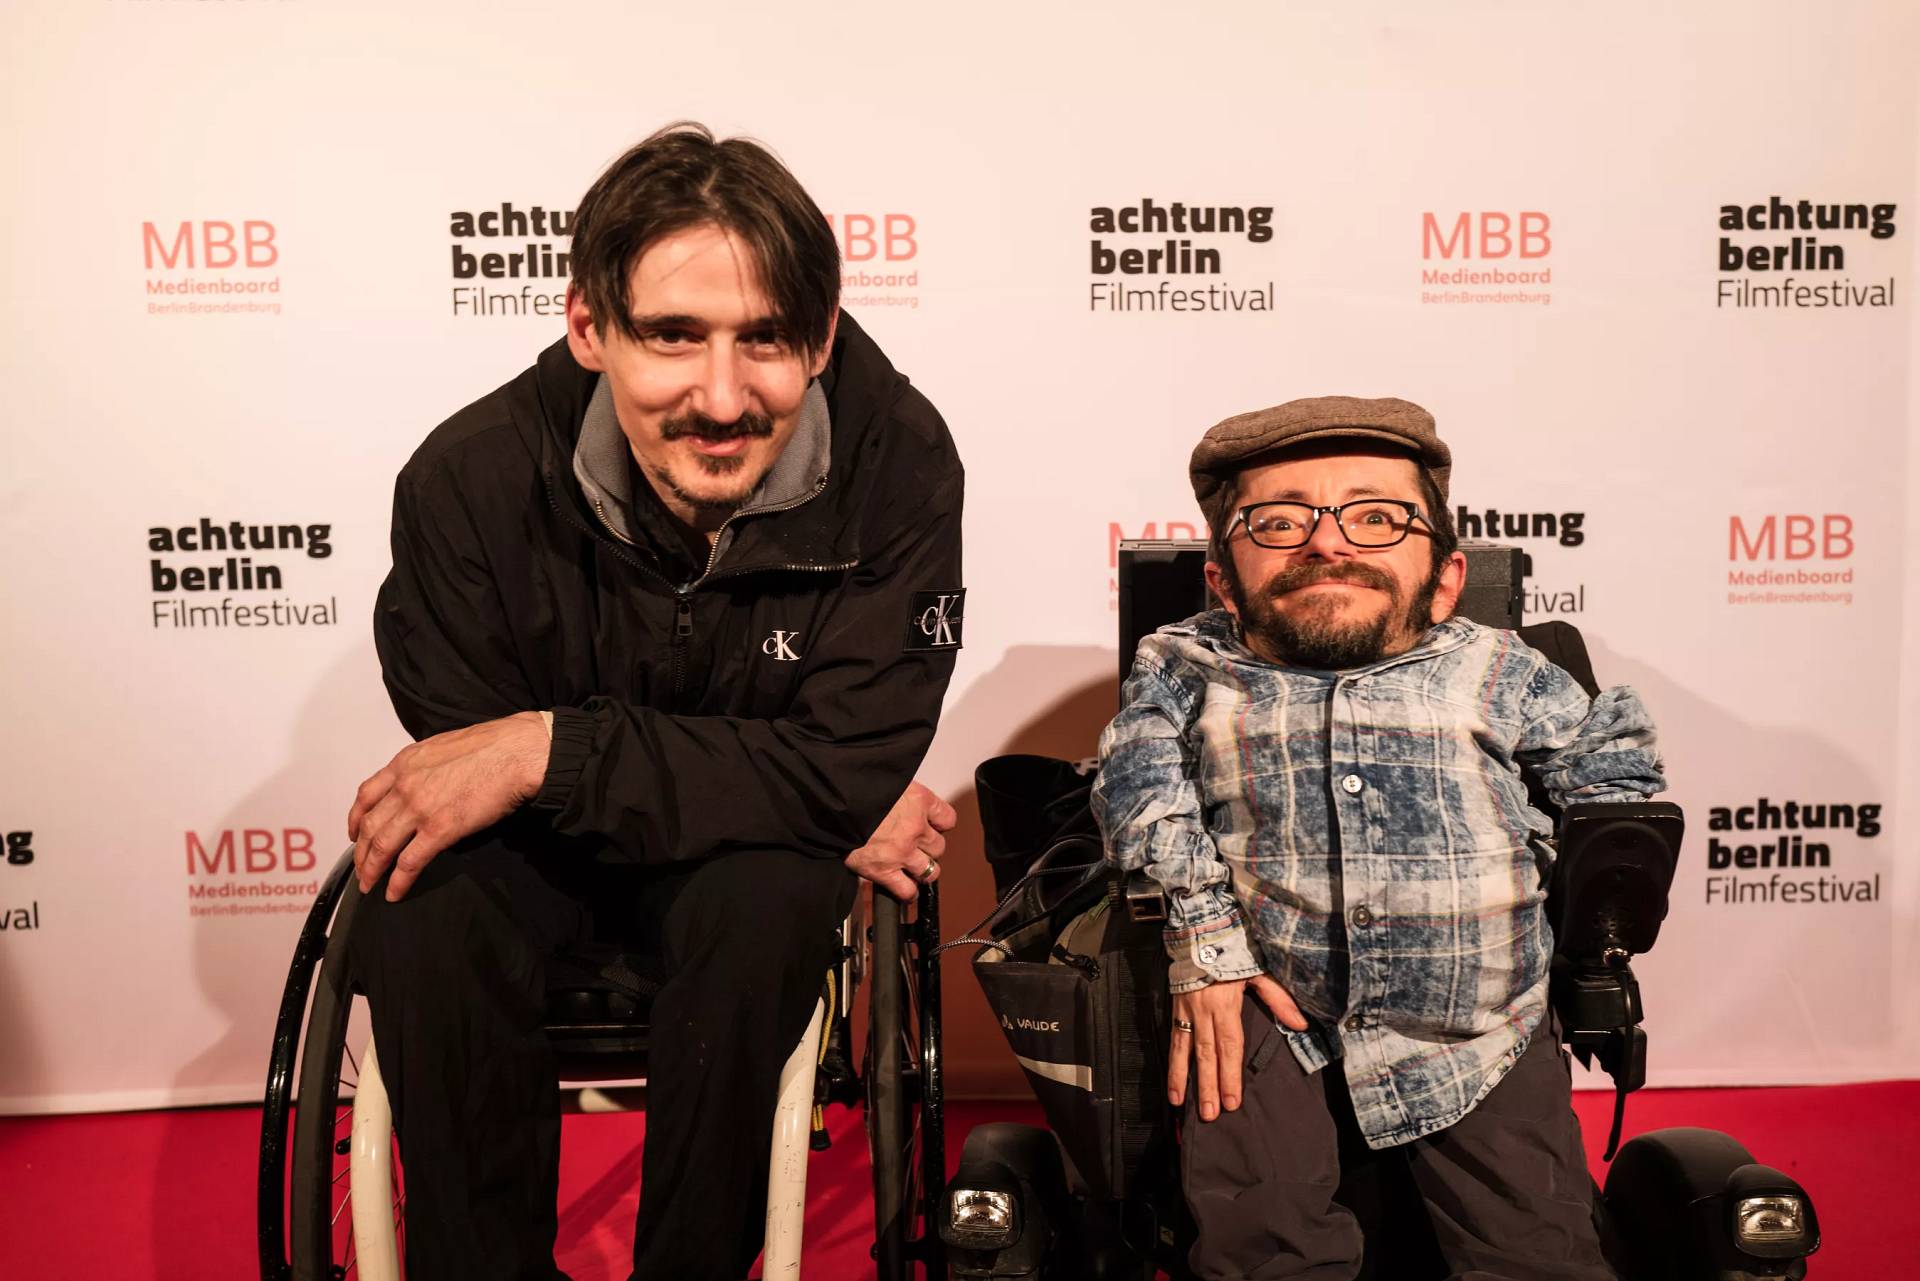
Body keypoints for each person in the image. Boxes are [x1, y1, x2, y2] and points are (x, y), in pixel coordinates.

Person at [341, 123, 965, 1281]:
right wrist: (805, 785)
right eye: (674, 336)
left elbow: (845, 764)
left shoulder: (902, 465)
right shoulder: (466, 480)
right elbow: (461, 749)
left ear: (823, 337)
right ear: (590, 328)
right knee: (421, 902)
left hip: (740, 870)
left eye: (765, 338)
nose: (721, 399)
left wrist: (548, 748)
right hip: (542, 859)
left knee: (766, 900)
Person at [1091, 397, 1664, 1280]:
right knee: (1264, 1253)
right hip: (1264, 1006)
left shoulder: (1500, 667)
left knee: (1539, 1256)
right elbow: (1139, 791)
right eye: (1279, 521)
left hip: (1478, 1022)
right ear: (1223, 580)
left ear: (1445, 576)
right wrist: (1206, 945)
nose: (1327, 542)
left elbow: (1615, 780)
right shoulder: (1183, 663)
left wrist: (1559, 892)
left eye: (1375, 517)